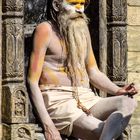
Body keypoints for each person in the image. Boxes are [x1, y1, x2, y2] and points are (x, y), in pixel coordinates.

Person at [27, 0, 138, 139]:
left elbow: (93, 72)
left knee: (128, 101)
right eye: (74, 4)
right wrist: (48, 125)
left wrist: (118, 90)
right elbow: (32, 81)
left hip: (86, 97)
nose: (80, 9)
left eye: (82, 4)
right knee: (109, 133)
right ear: (56, 5)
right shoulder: (45, 30)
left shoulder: (82, 29)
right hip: (59, 101)